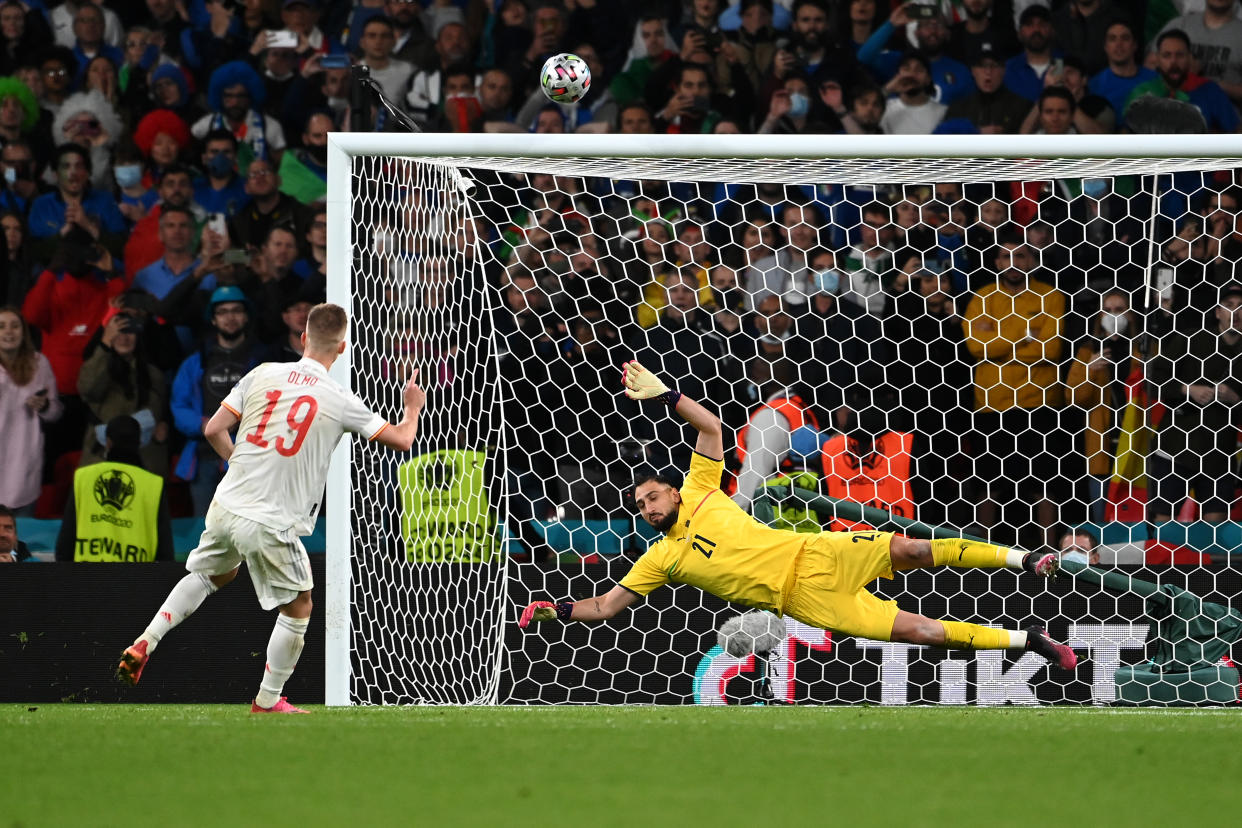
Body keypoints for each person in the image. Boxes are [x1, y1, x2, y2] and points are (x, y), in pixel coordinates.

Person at [519, 361, 1077, 672]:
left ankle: (1025, 558)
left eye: (652, 497)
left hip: (818, 552)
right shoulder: (661, 558)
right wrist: (556, 610)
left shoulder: (704, 489)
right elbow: (605, 607)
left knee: (911, 549)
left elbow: (711, 429)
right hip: (807, 601)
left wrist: (669, 396)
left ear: (671, 491)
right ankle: (1028, 639)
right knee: (923, 631)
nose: (647, 508)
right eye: (640, 507)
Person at [117, 303, 426, 713]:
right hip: (271, 517)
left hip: (227, 502)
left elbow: (212, 428)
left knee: (212, 574)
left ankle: (146, 640)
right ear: (343, 348)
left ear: (303, 339)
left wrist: (239, 464)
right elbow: (404, 441)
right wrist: (412, 407)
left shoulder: (262, 372)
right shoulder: (339, 398)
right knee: (299, 605)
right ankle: (268, 700)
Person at [56, 414, 173, 562]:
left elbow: (65, 544)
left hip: (86, 579)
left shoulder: (83, 477)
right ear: (139, 443)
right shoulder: (153, 484)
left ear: (108, 443)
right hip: (137, 581)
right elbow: (165, 552)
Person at [0, 305, 61, 512]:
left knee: (19, 539)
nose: (9, 331)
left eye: (15, 326)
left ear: (23, 332)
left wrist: (44, 407)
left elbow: (55, 412)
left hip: (23, 466)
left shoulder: (39, 363)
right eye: (2, 326)